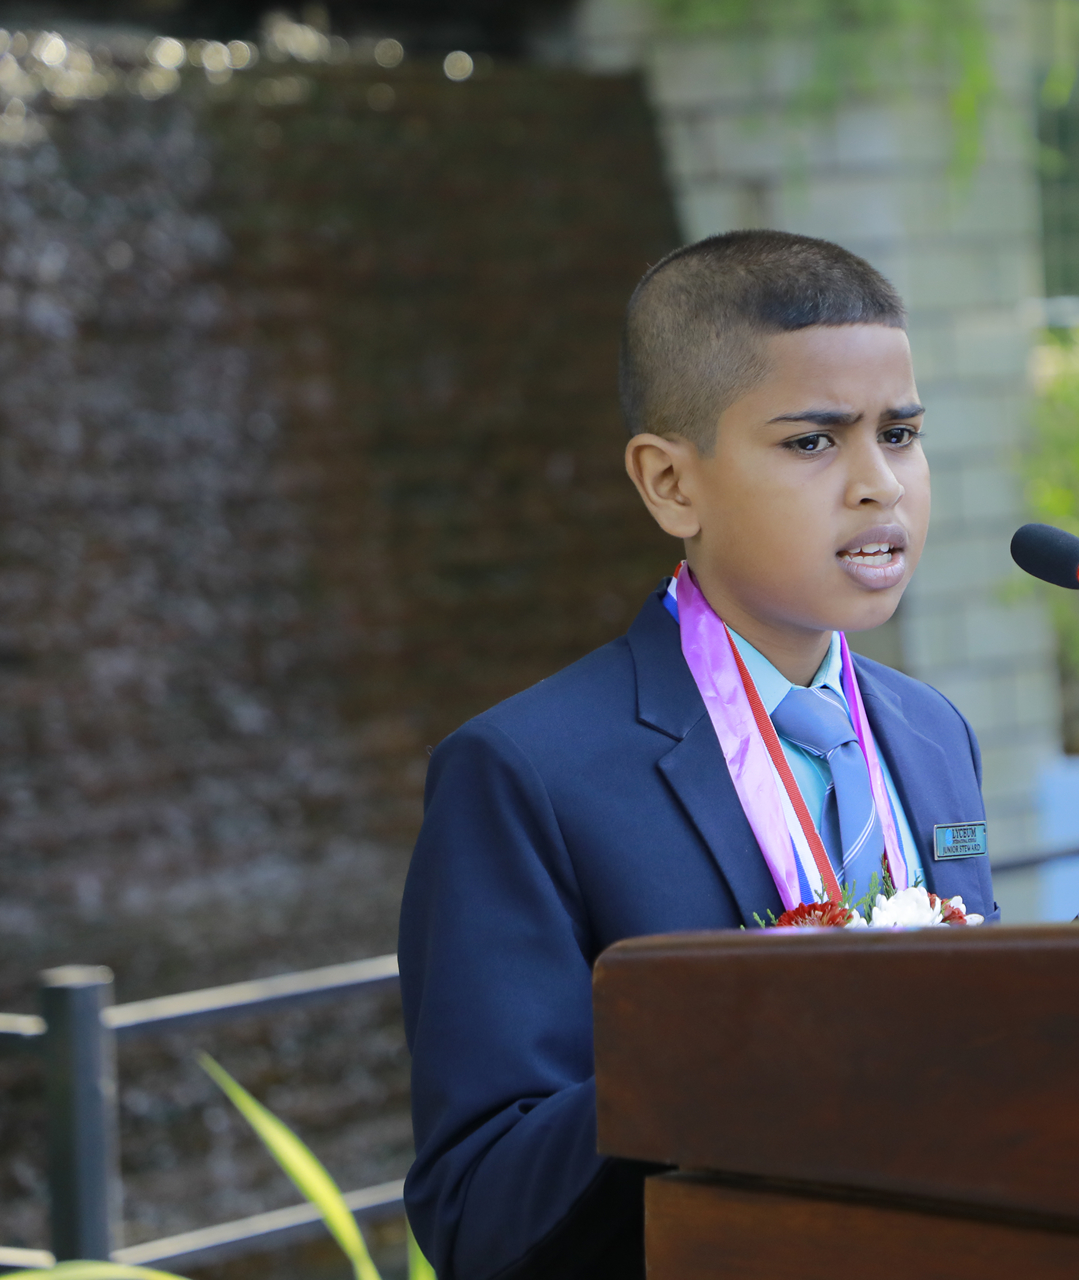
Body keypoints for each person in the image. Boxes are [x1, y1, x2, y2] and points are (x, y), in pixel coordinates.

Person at [397, 230, 997, 1280]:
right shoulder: (524, 772)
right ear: (671, 482)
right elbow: (478, 1212)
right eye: (814, 442)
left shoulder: (933, 732)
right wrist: (740, 1029)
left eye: (900, 433)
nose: (879, 486)